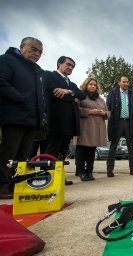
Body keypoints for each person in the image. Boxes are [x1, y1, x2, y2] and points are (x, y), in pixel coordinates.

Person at [0, 37, 45, 199]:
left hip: (32, 119)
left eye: (40, 52)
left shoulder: (36, 70)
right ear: (22, 47)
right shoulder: (7, 60)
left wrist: (42, 114)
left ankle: (15, 184)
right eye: (33, 49)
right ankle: (2, 185)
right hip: (14, 116)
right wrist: (19, 97)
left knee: (22, 156)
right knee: (8, 152)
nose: (37, 54)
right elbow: (1, 81)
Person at [43, 56, 86, 185]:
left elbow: (82, 95)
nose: (70, 67)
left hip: (69, 123)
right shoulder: (49, 76)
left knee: (63, 152)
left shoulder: (71, 84)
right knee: (52, 150)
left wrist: (68, 91)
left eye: (72, 66)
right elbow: (53, 93)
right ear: (59, 64)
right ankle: (46, 178)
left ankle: (59, 178)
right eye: (68, 64)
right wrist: (73, 99)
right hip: (56, 120)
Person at [75, 78, 109, 181]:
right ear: (86, 85)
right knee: (82, 150)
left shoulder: (101, 99)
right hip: (84, 127)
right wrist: (90, 111)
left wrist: (104, 113)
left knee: (91, 151)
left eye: (94, 85)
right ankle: (80, 172)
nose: (93, 86)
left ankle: (89, 171)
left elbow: (108, 111)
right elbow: (76, 110)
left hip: (97, 129)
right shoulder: (80, 96)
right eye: (90, 84)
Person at [106, 76, 133, 177]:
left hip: (129, 122)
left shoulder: (132, 94)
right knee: (113, 146)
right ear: (119, 82)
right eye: (124, 82)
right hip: (117, 122)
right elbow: (108, 107)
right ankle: (109, 170)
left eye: (127, 82)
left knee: (131, 147)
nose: (126, 84)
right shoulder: (112, 93)